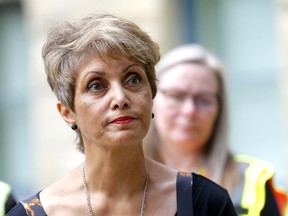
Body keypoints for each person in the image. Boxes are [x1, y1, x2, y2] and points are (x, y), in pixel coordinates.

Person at [7, 14, 237, 216]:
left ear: (151, 95)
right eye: (96, 85)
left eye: (133, 79)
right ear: (68, 112)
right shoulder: (32, 213)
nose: (120, 98)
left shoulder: (206, 203)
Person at [144, 44, 288, 216]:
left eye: (203, 99)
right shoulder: (123, 175)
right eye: (176, 96)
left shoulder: (252, 180)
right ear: (151, 99)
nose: (189, 111)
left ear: (219, 109)